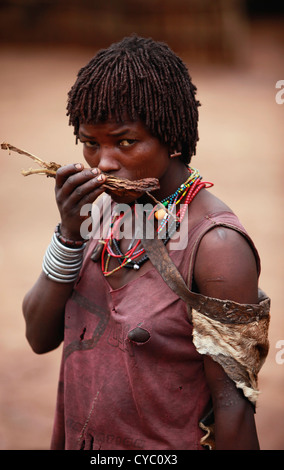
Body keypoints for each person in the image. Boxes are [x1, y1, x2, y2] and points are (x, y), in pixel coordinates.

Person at [22, 35, 270, 450]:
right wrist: (68, 234)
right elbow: (39, 336)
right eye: (90, 143)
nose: (103, 164)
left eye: (124, 142)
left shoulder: (217, 246)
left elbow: (234, 410)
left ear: (172, 138)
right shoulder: (97, 213)